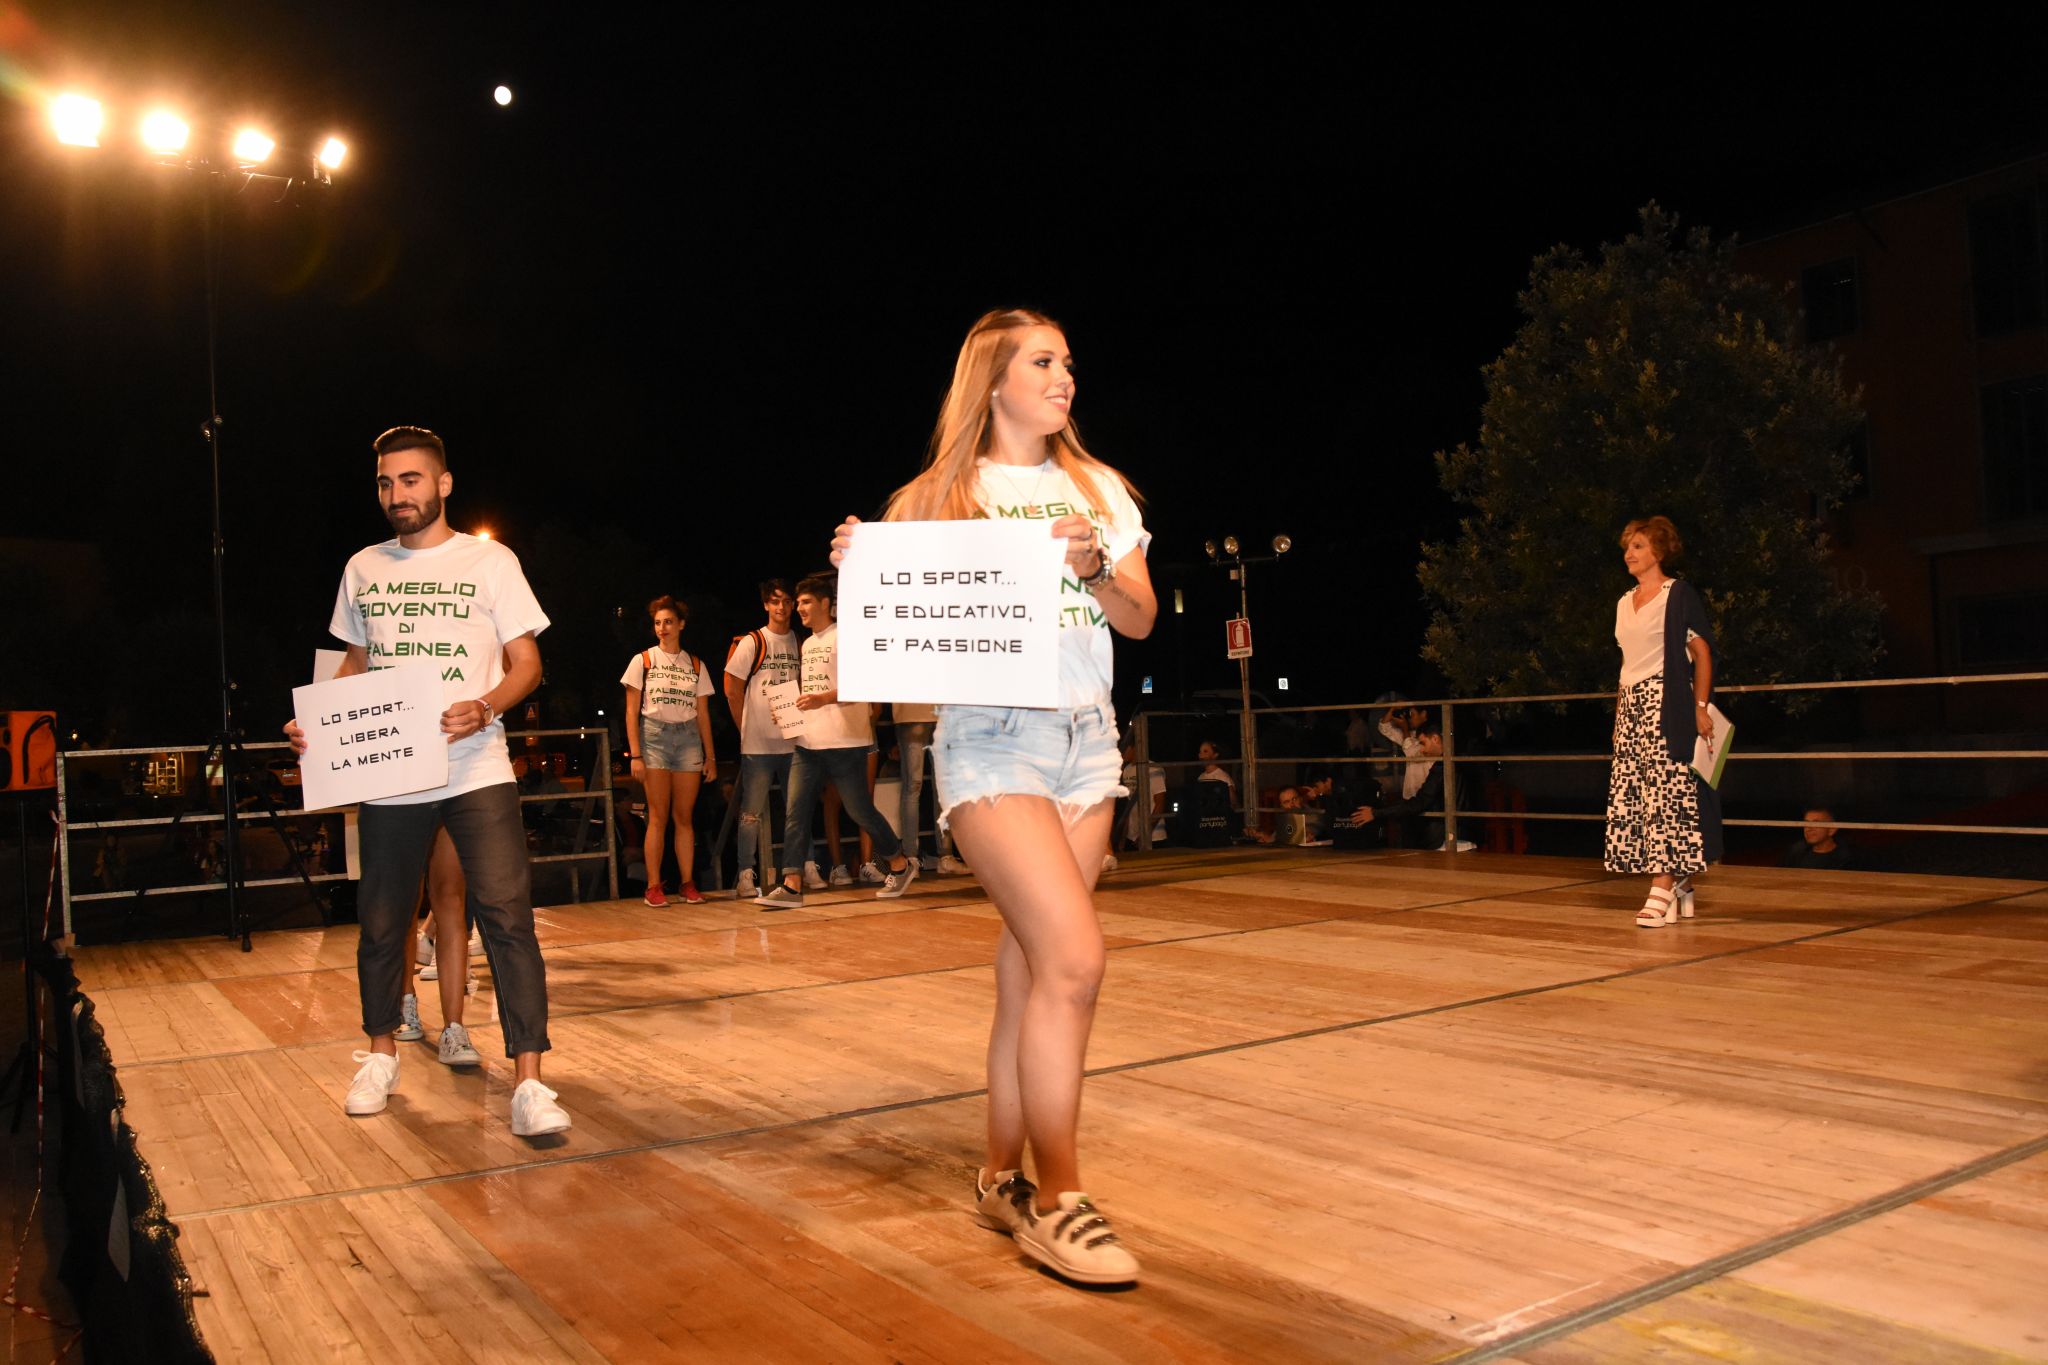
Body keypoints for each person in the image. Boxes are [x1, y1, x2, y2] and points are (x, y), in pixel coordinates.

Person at [830, 308, 1153, 1285]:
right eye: (1042, 361)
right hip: (991, 742)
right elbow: (894, 631)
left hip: (1087, 745)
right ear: (994, 382)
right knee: (1074, 960)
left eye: (1067, 362)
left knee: (1029, 969)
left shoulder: (1099, 488)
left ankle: (1000, 1177)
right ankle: (1060, 1201)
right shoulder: (937, 496)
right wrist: (861, 570)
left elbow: (1139, 620)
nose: (1064, 377)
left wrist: (1096, 566)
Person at [284, 425, 569, 1138]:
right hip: (392, 772)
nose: (396, 494)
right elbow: (356, 666)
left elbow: (527, 665)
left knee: (507, 915)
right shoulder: (362, 567)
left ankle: (530, 1081)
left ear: (443, 484)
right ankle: (380, 1055)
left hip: (477, 767)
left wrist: (487, 706)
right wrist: (319, 724)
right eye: (385, 482)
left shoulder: (490, 560)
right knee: (382, 919)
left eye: (410, 479)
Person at [752, 572, 916, 909]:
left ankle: (900, 864)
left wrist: (822, 699)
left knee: (860, 811)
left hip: (846, 741)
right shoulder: (808, 643)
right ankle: (792, 884)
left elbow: (864, 686)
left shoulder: (846, 637)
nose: (799, 608)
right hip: (809, 742)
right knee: (795, 810)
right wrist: (789, 711)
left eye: (806, 602)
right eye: (798, 603)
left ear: (826, 603)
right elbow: (811, 692)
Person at [1603, 515, 1723, 927]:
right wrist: (1620, 713)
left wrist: (1700, 706)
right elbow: (1626, 662)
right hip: (1632, 703)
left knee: (1667, 795)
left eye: (1637, 546)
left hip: (1666, 701)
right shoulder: (1624, 602)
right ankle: (1681, 883)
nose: (1629, 553)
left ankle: (1663, 882)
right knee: (1638, 795)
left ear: (1659, 551)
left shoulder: (1678, 594)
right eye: (1627, 547)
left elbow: (1702, 653)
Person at [622, 595, 718, 906]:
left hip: (688, 739)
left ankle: (687, 883)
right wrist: (635, 754)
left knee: (684, 817)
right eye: (658, 623)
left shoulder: (695, 664)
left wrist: (710, 756)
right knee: (658, 815)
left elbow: (703, 714)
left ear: (681, 625)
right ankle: (653, 886)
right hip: (654, 738)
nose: (662, 627)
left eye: (668, 622)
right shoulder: (643, 660)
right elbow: (631, 711)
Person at [723, 580, 802, 898]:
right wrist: (744, 727)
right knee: (751, 812)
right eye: (775, 601)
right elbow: (732, 688)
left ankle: (802, 868)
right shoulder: (753, 641)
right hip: (758, 743)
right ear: (766, 605)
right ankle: (746, 873)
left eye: (787, 601)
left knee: (797, 808)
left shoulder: (799, 640)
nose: (781, 607)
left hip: (793, 739)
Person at [890, 701, 967, 874]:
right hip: (911, 712)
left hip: (942, 713)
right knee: (913, 785)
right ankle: (911, 857)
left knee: (942, 786)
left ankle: (945, 856)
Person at [1782, 807, 1858, 869]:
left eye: (1816, 823)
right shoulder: (1796, 852)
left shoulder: (1846, 858)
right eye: (1806, 823)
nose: (1809, 828)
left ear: (1832, 829)